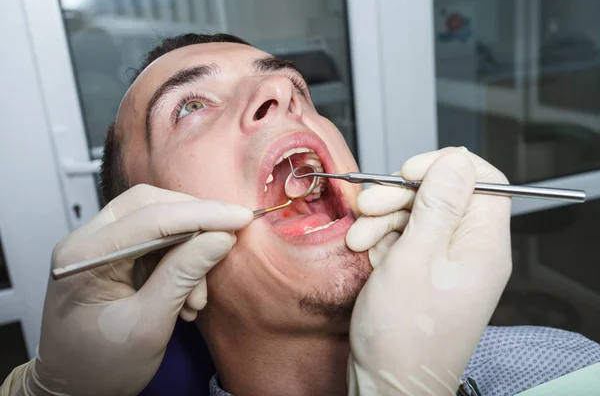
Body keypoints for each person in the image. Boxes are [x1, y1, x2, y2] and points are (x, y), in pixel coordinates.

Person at [2, 33, 600, 396]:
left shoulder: (570, 363)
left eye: (294, 87)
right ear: (153, 251)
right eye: (188, 106)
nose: (283, 94)